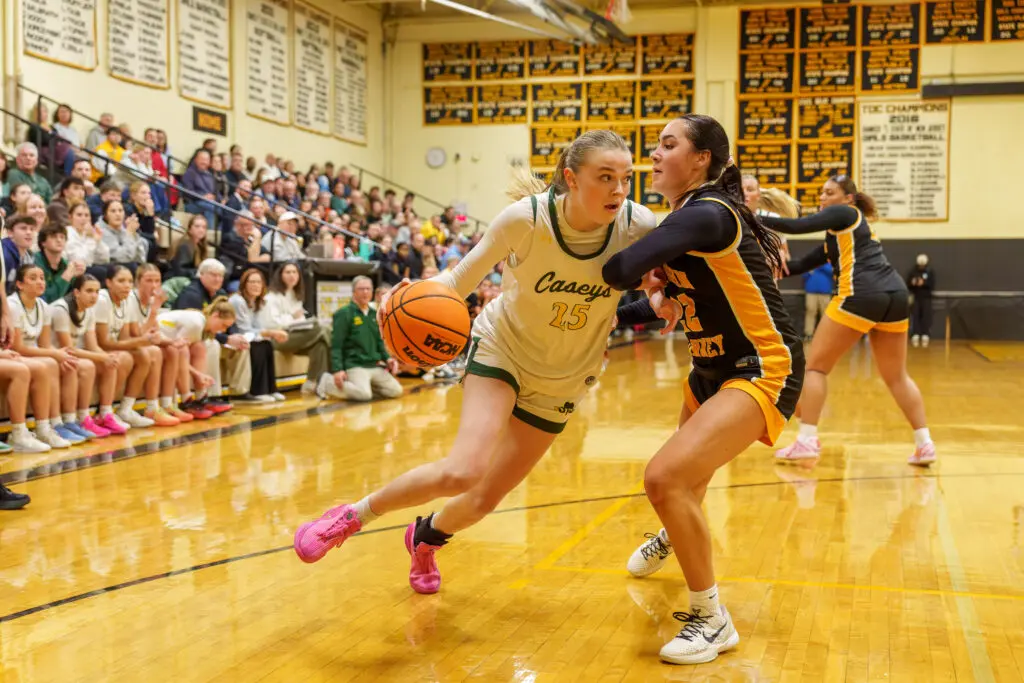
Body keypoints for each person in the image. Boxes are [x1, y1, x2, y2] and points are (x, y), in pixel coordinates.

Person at [292, 130, 657, 596]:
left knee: (484, 500)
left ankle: (425, 537)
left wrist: (660, 299)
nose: (619, 190)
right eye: (605, 177)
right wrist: (404, 299)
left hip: (565, 377)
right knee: (463, 470)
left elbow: (662, 284)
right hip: (503, 348)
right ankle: (350, 516)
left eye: (625, 178)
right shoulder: (526, 219)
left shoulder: (638, 225)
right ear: (571, 178)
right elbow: (457, 281)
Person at [601, 114, 804, 665]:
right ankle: (677, 533)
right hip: (710, 368)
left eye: (668, 144)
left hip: (761, 366)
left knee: (664, 478)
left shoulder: (708, 213)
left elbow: (618, 269)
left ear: (700, 159)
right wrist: (639, 303)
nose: (655, 153)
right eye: (656, 144)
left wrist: (609, 256)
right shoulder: (686, 217)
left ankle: (712, 620)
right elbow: (657, 301)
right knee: (685, 480)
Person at [762, 175, 936, 467]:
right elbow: (798, 265)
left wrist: (746, 215)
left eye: (830, 192)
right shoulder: (839, 235)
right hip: (894, 295)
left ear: (848, 198)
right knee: (897, 377)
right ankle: (925, 444)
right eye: (821, 192)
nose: (823, 197)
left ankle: (807, 440)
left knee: (815, 368)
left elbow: (798, 226)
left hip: (861, 293)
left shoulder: (847, 214)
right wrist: (767, 263)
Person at [238, 264, 338, 398]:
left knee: (320, 344)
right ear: (280, 275)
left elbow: (301, 318)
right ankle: (336, 366)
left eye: (294, 272)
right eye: (288, 272)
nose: (292, 275)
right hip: (276, 338)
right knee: (319, 328)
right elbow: (271, 323)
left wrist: (296, 319)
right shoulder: (272, 297)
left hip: (294, 335)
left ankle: (312, 382)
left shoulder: (296, 295)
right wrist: (292, 318)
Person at [8, 264, 77, 448]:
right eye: (33, 278)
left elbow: (45, 344)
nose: (40, 282)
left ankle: (51, 426)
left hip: (29, 353)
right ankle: (25, 432)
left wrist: (59, 355)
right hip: (13, 353)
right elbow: (18, 347)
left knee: (59, 363)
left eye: (41, 278)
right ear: (20, 284)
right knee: (47, 363)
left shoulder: (44, 306)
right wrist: (55, 353)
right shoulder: (12, 306)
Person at [49, 274, 125, 439]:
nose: (94, 295)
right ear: (76, 292)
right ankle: (80, 419)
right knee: (88, 365)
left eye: (97, 291)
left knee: (109, 363)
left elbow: (92, 345)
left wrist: (106, 356)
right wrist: (102, 357)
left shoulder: (89, 310)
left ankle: (105, 414)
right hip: (54, 354)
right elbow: (68, 349)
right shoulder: (61, 309)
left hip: (70, 354)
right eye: (89, 291)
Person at [93, 265, 160, 430]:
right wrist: (142, 341)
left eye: (130, 281)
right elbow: (103, 343)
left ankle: (126, 409)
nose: (127, 285)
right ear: (109, 282)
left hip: (109, 345)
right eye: (121, 281)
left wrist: (142, 342)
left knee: (143, 355)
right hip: (92, 348)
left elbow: (124, 338)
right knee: (125, 357)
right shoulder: (102, 300)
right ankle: (104, 412)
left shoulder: (128, 299)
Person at [132, 264, 193, 423]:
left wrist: (173, 341)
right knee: (157, 351)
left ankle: (167, 405)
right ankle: (151, 409)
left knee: (173, 349)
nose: (154, 285)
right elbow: (137, 335)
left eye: (157, 281)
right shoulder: (132, 300)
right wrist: (154, 311)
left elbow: (156, 333)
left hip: (143, 342)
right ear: (138, 282)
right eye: (149, 280)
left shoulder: (152, 302)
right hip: (127, 343)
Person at [157, 300, 237, 419]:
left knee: (199, 347)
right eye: (224, 325)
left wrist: (199, 375)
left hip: (166, 343)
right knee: (183, 349)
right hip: (154, 340)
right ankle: (186, 400)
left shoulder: (200, 322)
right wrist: (197, 374)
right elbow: (178, 352)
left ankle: (201, 397)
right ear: (215, 316)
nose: (224, 330)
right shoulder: (196, 324)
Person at [327, 275, 402, 402]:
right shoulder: (344, 313)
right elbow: (336, 345)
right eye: (361, 289)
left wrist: (388, 359)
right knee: (364, 395)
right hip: (355, 366)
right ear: (353, 292)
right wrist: (337, 370)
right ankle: (326, 382)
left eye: (368, 289)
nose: (365, 292)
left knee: (396, 391)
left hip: (374, 365)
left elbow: (379, 342)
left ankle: (366, 386)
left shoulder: (374, 314)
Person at [907, 254, 935, 347]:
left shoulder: (930, 271)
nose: (921, 266)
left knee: (925, 316)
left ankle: (925, 334)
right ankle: (915, 333)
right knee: (915, 315)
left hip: (926, 297)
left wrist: (924, 283)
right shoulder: (913, 272)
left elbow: (932, 284)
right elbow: (908, 283)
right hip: (916, 297)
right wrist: (913, 283)